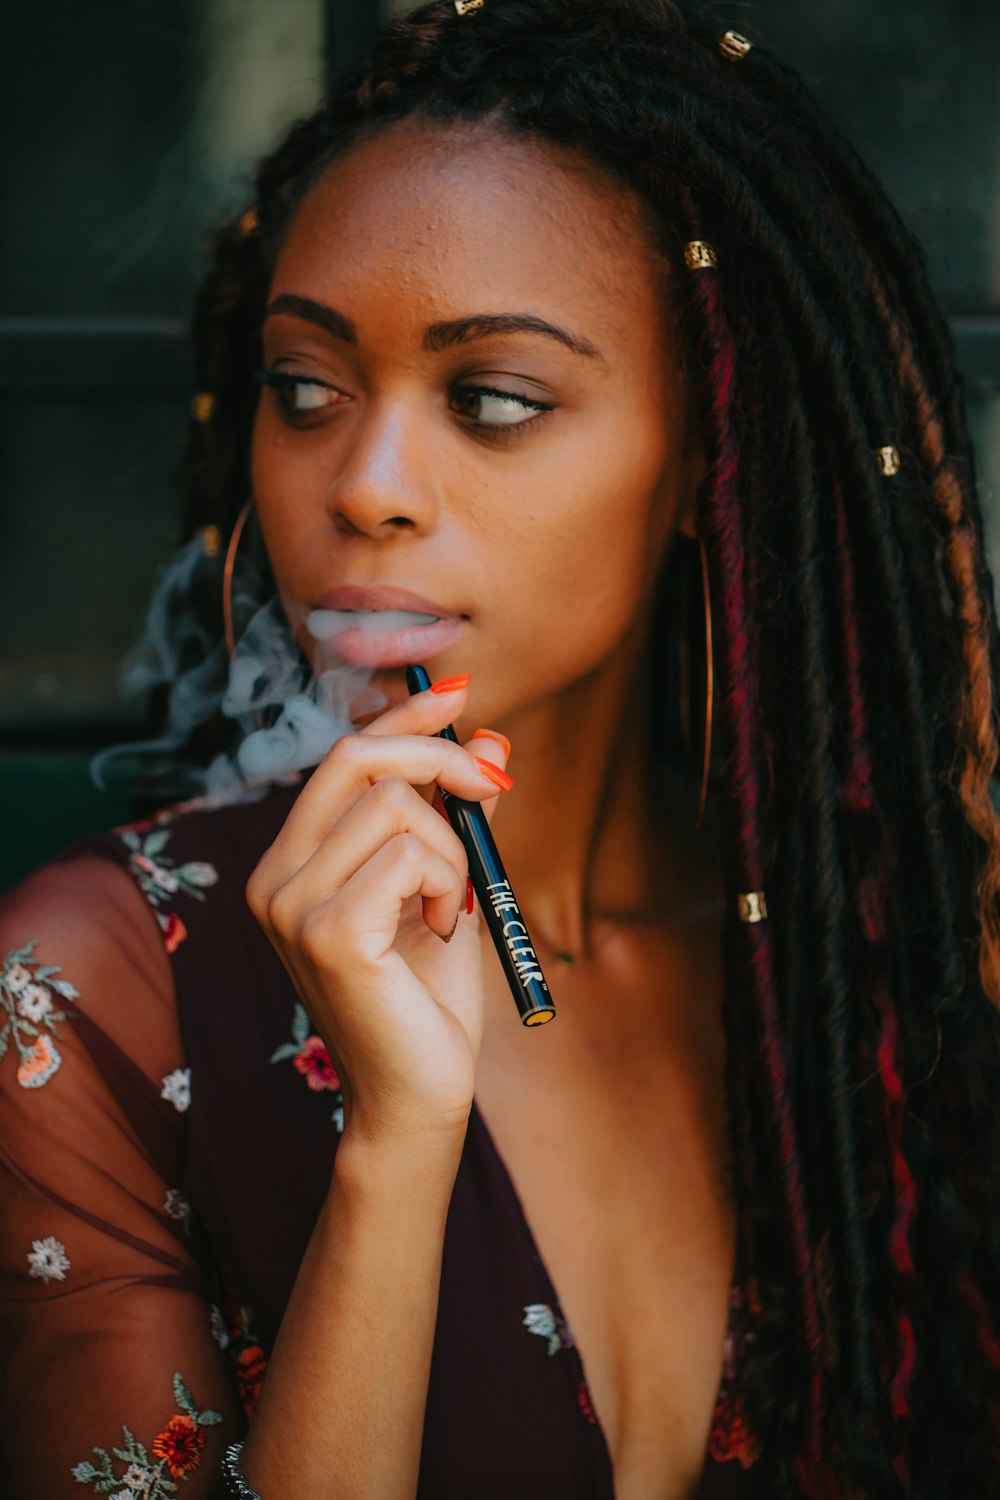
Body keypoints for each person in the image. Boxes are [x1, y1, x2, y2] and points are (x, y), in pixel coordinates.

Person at [2, 0, 999, 1495]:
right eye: (307, 389)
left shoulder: (863, 960)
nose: (369, 486)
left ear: (702, 466)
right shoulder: (84, 996)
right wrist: (398, 1154)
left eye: (496, 400)